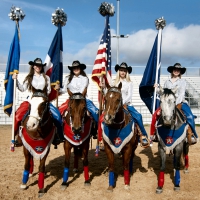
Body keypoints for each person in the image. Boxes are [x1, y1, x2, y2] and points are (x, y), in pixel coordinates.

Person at [12, 58, 64, 145]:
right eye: (36, 65)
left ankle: (58, 136)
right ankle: (17, 137)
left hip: (43, 101)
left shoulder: (46, 77)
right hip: (31, 100)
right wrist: (15, 80)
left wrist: (42, 97)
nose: (38, 67)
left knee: (57, 116)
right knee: (17, 116)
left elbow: (48, 91)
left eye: (40, 65)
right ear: (33, 66)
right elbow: (22, 88)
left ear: (42, 67)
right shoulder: (29, 77)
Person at [101, 62, 149, 147]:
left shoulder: (129, 83)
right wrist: (103, 87)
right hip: (114, 105)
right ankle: (102, 137)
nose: (122, 72)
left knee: (138, 116)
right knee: (102, 118)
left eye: (124, 71)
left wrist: (122, 103)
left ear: (126, 72)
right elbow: (108, 94)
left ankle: (143, 136)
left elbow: (129, 95)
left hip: (126, 104)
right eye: (121, 70)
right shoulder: (113, 82)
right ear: (118, 71)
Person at [151, 63, 198, 144]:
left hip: (180, 102)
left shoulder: (182, 81)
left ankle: (192, 134)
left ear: (180, 72)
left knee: (190, 116)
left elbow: (181, 94)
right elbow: (163, 94)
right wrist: (157, 88)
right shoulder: (167, 82)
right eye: (175, 69)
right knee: (156, 115)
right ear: (172, 71)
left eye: (178, 70)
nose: (176, 71)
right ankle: (155, 134)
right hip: (168, 104)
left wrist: (175, 103)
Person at [58, 60, 99, 138]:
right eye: (74, 68)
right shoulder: (67, 78)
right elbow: (63, 90)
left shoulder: (85, 78)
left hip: (83, 99)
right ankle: (59, 133)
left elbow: (82, 90)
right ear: (72, 70)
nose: (76, 69)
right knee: (58, 112)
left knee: (95, 112)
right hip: (71, 100)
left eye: (77, 67)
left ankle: (95, 130)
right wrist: (58, 89)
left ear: (80, 69)